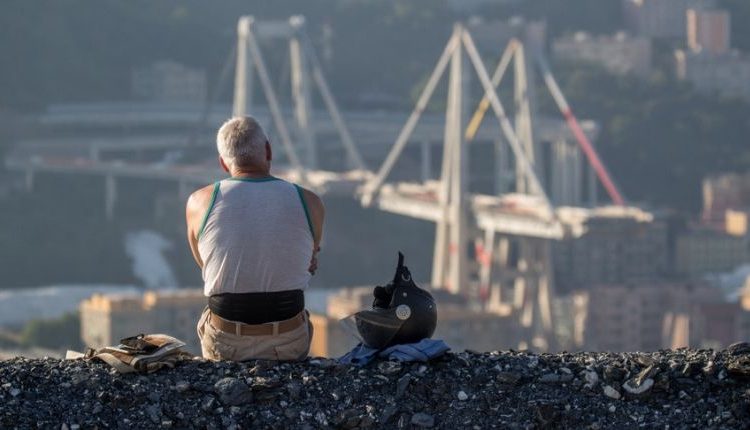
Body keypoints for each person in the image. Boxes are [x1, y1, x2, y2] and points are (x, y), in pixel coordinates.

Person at [185, 116, 324, 361]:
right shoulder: (310, 201)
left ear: (223, 163)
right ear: (268, 150)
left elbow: (205, 263)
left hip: (226, 340)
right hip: (288, 339)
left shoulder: (199, 202)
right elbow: (309, 261)